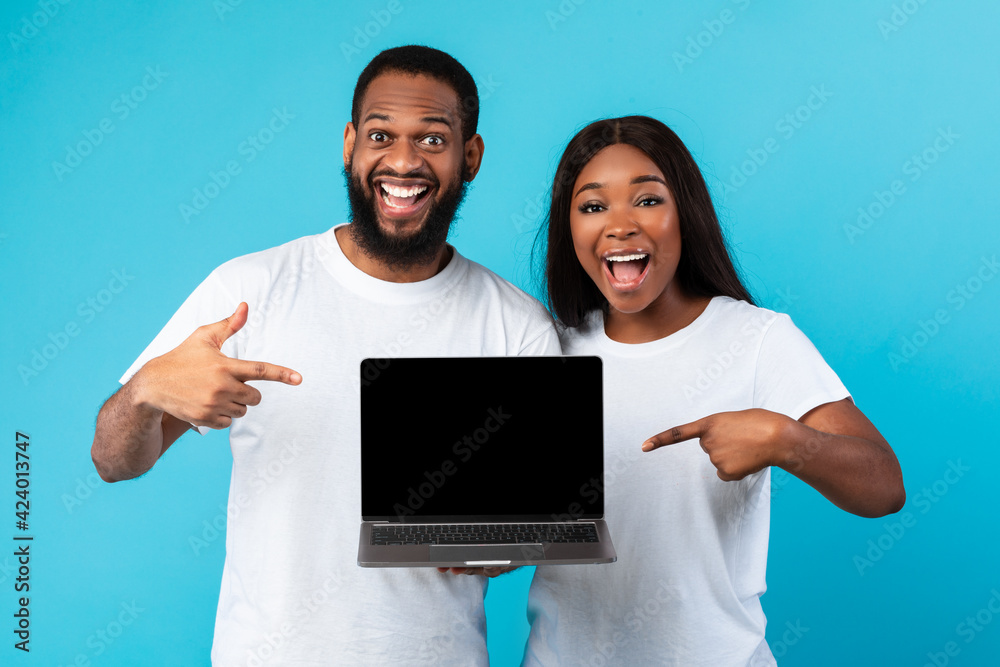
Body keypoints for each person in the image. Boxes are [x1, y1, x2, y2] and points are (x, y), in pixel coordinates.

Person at [90, 45, 560, 665]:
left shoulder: (518, 329)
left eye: (433, 140)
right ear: (349, 144)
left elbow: (537, 526)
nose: (403, 161)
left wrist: (507, 542)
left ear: (469, 157)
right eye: (380, 135)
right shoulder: (249, 290)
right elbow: (113, 460)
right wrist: (147, 390)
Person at [523, 116, 905, 666]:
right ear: (570, 231)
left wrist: (787, 441)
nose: (620, 225)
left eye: (647, 201)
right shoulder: (549, 349)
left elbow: (885, 487)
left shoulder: (757, 340)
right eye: (592, 206)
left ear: (686, 215)